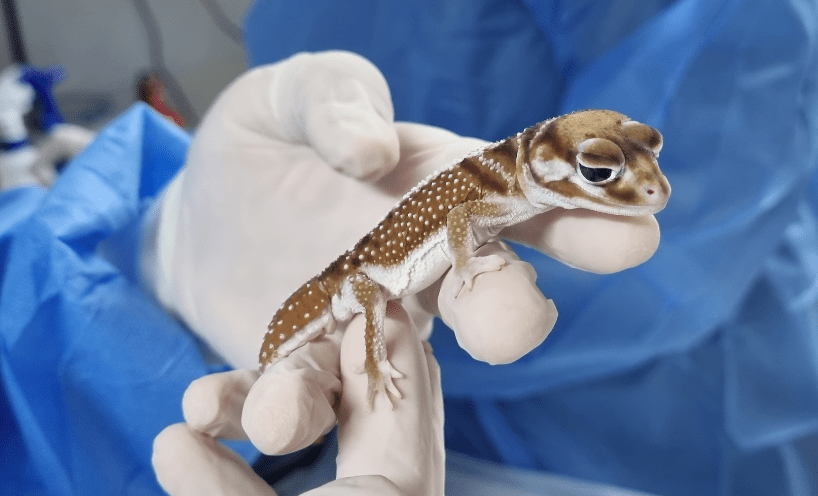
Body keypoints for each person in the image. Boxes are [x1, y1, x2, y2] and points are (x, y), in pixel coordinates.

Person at [147, 51, 662, 496]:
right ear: (548, 162)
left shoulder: (516, 181)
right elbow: (462, 219)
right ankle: (369, 364)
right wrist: (467, 265)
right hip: (364, 274)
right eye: (598, 171)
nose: (652, 187)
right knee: (369, 305)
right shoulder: (503, 188)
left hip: (365, 259)